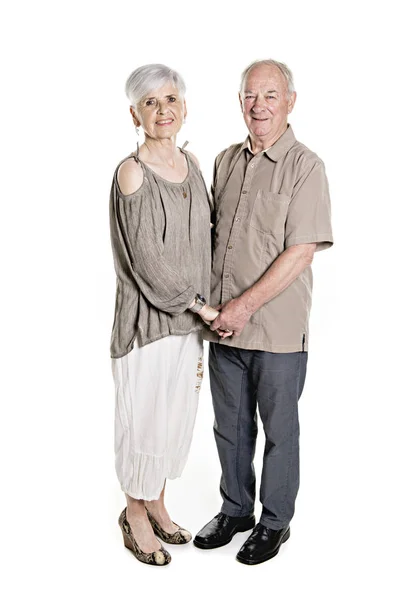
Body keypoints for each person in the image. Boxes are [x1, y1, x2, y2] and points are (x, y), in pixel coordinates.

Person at [193, 59, 334, 565]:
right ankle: (236, 510)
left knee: (280, 432)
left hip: (275, 331)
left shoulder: (306, 166)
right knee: (229, 428)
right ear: (239, 102)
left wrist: (243, 305)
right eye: (251, 95)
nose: (259, 105)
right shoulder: (225, 161)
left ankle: (275, 522)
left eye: (270, 95)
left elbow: (300, 251)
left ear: (290, 101)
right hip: (223, 329)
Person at [109, 64, 221, 566]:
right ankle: (134, 514)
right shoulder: (132, 172)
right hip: (147, 328)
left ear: (184, 107)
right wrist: (202, 305)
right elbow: (149, 264)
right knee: (144, 424)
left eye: (170, 99)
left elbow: (205, 242)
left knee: (174, 421)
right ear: (135, 113)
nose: (163, 111)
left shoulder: (192, 164)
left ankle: (156, 503)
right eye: (151, 103)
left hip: (188, 327)